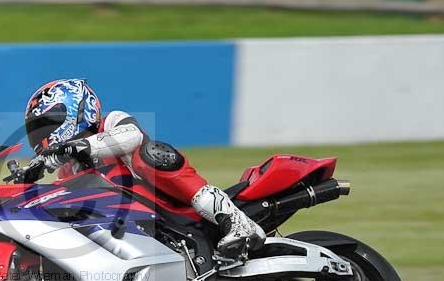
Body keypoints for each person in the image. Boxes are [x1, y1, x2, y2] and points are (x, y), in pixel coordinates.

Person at [24, 78, 266, 254]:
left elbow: (132, 136)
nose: (42, 136)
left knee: (152, 154)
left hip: (166, 206)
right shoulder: (68, 171)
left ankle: (235, 219)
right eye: (36, 129)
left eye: (46, 124)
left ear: (74, 110)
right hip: (127, 227)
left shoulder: (111, 121)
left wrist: (76, 146)